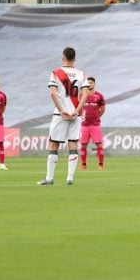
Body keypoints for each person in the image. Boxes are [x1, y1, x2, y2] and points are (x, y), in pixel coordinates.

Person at [38, 47, 90, 185]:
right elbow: (85, 94)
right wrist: (77, 110)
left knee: (54, 144)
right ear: (75, 59)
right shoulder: (81, 74)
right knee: (73, 143)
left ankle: (49, 178)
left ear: (63, 58)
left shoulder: (55, 73)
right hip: (75, 114)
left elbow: (53, 93)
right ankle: (70, 177)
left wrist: (61, 110)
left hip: (60, 114)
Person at [80, 77, 106, 170]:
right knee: (83, 145)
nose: (89, 84)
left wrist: (98, 116)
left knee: (99, 145)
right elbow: (79, 107)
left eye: (91, 83)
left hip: (95, 124)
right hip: (84, 125)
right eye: (88, 83)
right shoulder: (82, 95)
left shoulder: (99, 95)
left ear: (94, 84)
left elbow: (102, 109)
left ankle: (101, 164)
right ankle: (83, 164)